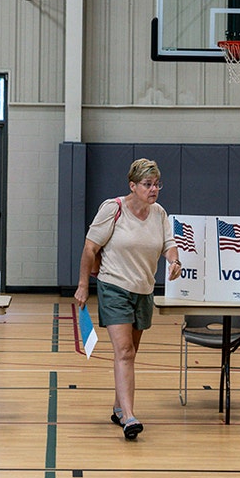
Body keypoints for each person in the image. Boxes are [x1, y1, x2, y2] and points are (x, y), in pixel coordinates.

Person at [75, 158, 182, 440]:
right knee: (123, 351)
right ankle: (130, 417)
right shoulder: (114, 209)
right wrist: (83, 285)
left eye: (157, 184)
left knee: (131, 353)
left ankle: (119, 407)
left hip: (144, 290)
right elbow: (90, 247)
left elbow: (168, 245)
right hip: (114, 286)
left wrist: (174, 261)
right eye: (147, 184)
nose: (154, 189)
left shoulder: (159, 213)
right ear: (132, 186)